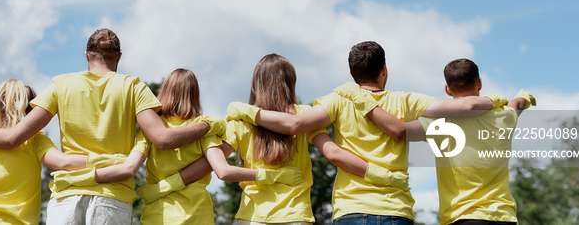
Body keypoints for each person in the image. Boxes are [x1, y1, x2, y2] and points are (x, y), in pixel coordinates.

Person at [228, 42, 503, 224]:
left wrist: (247, 111)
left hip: (350, 210)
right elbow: (463, 105)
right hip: (396, 209)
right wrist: (502, 102)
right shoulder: (406, 100)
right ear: (384, 70)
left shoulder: (337, 100)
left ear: (352, 73)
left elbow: (295, 126)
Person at [0, 29, 217, 224]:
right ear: (119, 57)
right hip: (112, 197)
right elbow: (163, 139)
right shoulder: (133, 87)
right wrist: (204, 126)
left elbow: (13, 138)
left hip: (66, 199)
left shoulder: (61, 85)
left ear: (86, 56)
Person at [209, 54, 410, 224]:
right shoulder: (304, 116)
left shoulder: (240, 122)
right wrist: (385, 176)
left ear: (256, 84)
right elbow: (332, 152)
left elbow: (221, 169)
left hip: (251, 216)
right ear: (290, 83)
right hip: (295, 215)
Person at [125, 68, 301, 224]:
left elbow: (130, 166)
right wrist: (273, 176)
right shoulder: (205, 127)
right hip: (197, 214)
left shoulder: (151, 130)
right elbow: (223, 170)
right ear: (195, 95)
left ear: (165, 91)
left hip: (159, 214)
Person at [407, 59, 535, 225]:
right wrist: (524, 97)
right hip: (504, 217)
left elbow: (399, 131)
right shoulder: (504, 116)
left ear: (447, 89)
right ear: (479, 83)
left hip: (463, 218)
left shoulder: (439, 123)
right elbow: (516, 105)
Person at [0, 79, 94, 224]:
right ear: (32, 111)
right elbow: (63, 162)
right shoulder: (35, 141)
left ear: (0, 106)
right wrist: (110, 161)